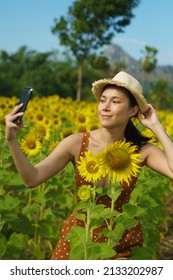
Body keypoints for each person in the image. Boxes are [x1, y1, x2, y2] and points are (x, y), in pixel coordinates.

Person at [5, 71, 173, 260]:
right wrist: (12, 140)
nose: (106, 108)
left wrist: (156, 126)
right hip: (80, 238)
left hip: (117, 239)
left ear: (133, 111)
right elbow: (31, 179)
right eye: (103, 100)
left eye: (115, 102)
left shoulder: (140, 150)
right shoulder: (77, 143)